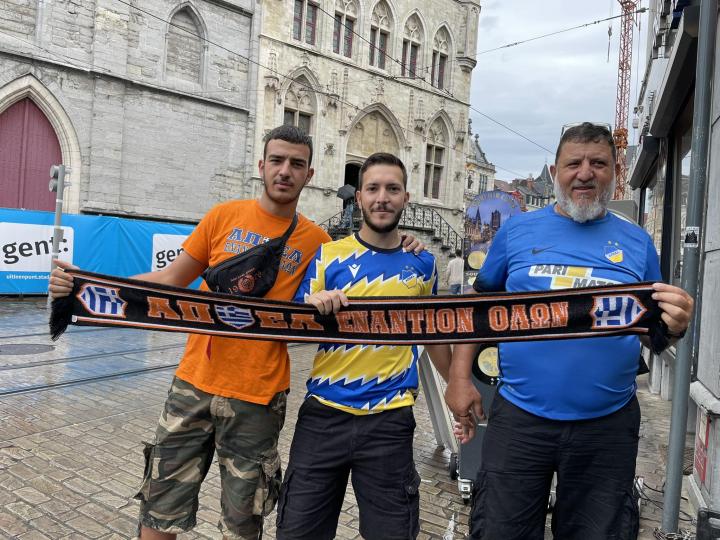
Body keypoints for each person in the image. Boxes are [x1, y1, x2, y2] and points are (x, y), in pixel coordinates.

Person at [48, 125, 424, 540]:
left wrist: (405, 243)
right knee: (158, 510)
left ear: (310, 174)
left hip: (258, 398)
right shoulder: (223, 217)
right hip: (193, 384)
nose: (285, 171)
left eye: (296, 164)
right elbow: (171, 279)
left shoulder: (316, 242)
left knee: (243, 523)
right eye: (277, 160)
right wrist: (88, 284)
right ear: (261, 166)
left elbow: (363, 259)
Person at [445, 122, 694, 540]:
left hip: (607, 426)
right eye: (573, 163)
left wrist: (675, 326)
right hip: (520, 420)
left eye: (598, 163)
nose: (585, 173)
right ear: (557, 170)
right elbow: (478, 307)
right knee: (500, 531)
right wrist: (458, 378)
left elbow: (653, 334)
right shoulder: (516, 232)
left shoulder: (637, 243)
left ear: (614, 172)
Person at [275, 153, 459, 540]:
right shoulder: (328, 255)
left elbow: (432, 334)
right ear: (359, 197)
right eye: (373, 188)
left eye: (392, 189)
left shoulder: (423, 263)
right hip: (324, 415)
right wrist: (312, 305)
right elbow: (292, 325)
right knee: (297, 532)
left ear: (406, 197)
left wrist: (457, 387)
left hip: (389, 421)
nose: (382, 198)